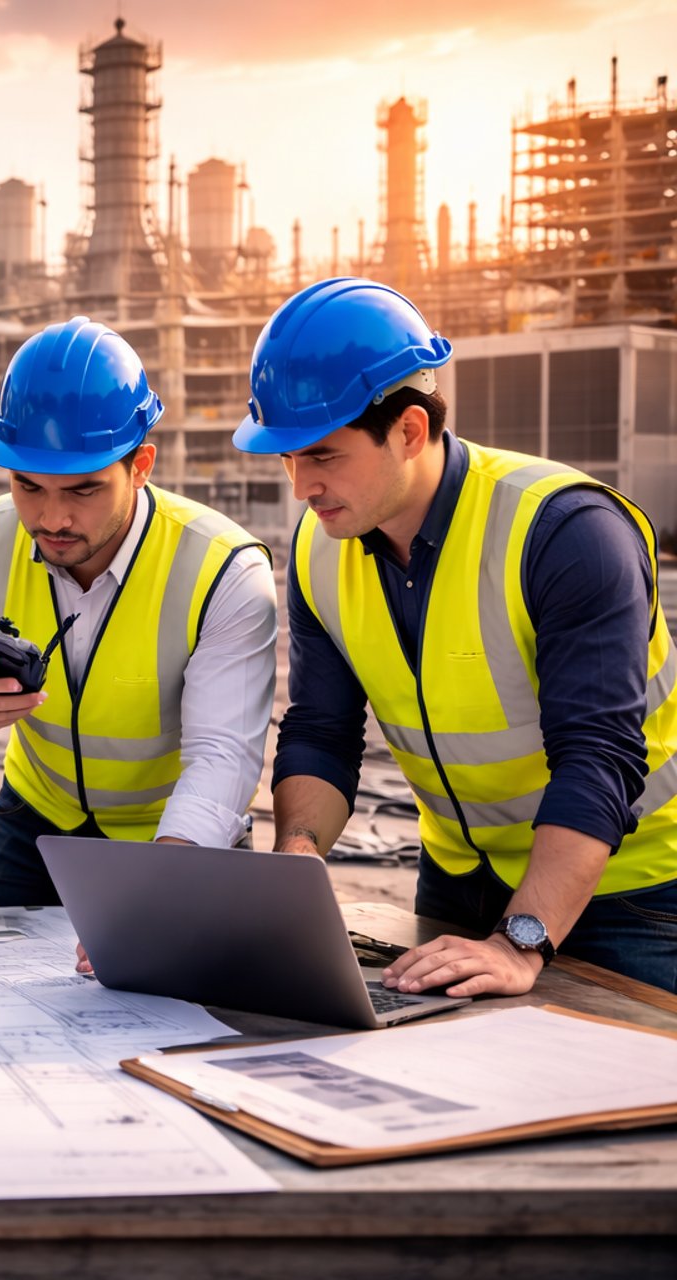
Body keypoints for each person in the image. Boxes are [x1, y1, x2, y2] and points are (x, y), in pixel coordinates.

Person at [237, 276, 677, 996]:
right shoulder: (321, 550)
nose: (299, 486)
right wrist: (298, 851)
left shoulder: (566, 534)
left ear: (410, 430)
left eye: (320, 455)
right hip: (456, 884)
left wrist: (521, 940)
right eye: (285, 458)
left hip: (631, 895)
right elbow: (321, 730)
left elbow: (598, 755)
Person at [0, 317, 276, 921]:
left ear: (142, 464)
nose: (52, 519)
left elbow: (222, 758)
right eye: (28, 487)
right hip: (35, 824)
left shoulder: (222, 569)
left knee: (188, 1013)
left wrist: (158, 891)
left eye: (82, 491)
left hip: (179, 834)